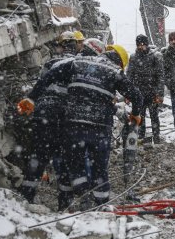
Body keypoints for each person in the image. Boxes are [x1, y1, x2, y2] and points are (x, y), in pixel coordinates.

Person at [26, 44, 143, 210]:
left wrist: (31, 98)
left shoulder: (77, 62)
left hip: (74, 125)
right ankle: (102, 205)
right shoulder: (114, 71)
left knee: (76, 164)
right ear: (119, 62)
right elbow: (136, 95)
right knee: (100, 168)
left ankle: (82, 198)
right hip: (100, 127)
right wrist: (136, 114)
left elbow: (50, 76)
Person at [15, 31, 78, 203]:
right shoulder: (78, 64)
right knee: (65, 159)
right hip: (65, 115)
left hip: (43, 113)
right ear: (75, 47)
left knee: (38, 155)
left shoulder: (50, 63)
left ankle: (27, 196)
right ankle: (65, 200)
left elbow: (41, 84)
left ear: (61, 47)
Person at [127, 34, 164, 144]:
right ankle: (141, 136)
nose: (140, 47)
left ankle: (156, 136)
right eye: (138, 45)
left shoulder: (155, 56)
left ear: (147, 45)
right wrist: (129, 93)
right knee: (140, 116)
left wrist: (160, 93)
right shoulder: (133, 57)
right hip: (139, 93)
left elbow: (160, 75)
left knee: (154, 116)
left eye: (142, 44)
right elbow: (129, 75)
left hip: (152, 92)